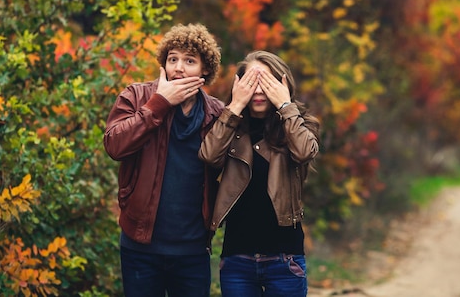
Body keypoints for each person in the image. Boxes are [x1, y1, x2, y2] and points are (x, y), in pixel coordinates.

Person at [103, 23, 224, 297]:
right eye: (173, 59)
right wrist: (158, 103)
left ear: (205, 70)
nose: (178, 68)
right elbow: (114, 145)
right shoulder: (136, 97)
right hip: (140, 248)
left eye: (189, 61)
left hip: (193, 250)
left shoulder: (218, 114)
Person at [199, 50, 320, 297]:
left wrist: (285, 106)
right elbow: (209, 155)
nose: (257, 90)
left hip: (285, 259)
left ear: (282, 85)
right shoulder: (229, 125)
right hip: (237, 259)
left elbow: (305, 152)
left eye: (266, 83)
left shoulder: (297, 124)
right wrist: (235, 106)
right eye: (251, 83)